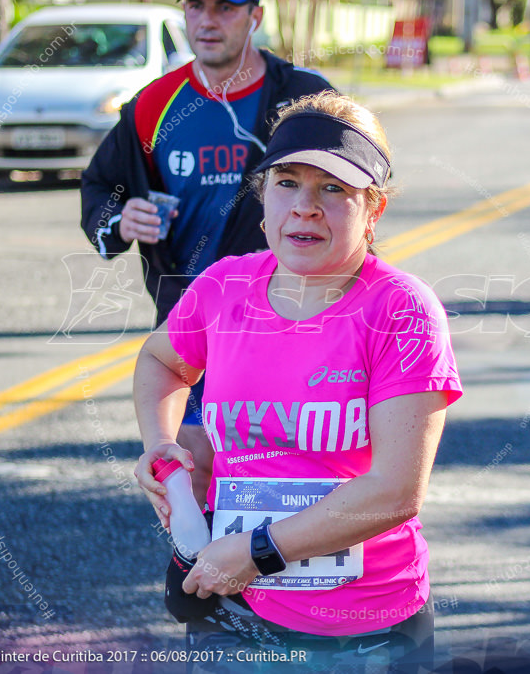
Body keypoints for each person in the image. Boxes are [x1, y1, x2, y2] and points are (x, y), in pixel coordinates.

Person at [133, 92, 463, 672]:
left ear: (374, 209)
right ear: (262, 201)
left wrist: (259, 553)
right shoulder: (224, 286)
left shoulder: (401, 309)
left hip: (364, 624)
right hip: (234, 604)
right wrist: (162, 446)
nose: (306, 207)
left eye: (334, 188)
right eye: (288, 182)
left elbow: (394, 490)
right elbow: (161, 360)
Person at [81, 0, 332, 497]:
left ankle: (276, 569)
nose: (208, 21)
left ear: (255, 17)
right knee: (194, 469)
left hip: (292, 318)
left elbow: (354, 190)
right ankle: (203, 573)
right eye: (196, 6)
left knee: (286, 472)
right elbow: (102, 184)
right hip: (192, 321)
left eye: (225, 8)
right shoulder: (155, 104)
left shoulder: (303, 100)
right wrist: (122, 219)